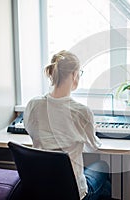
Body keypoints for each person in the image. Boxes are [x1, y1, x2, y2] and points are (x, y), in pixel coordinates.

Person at [23, 50, 111, 200]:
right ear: (74, 75)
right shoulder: (81, 112)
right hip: (74, 193)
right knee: (102, 167)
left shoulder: (33, 104)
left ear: (52, 73)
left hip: (42, 190)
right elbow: (93, 146)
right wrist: (87, 130)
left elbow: (32, 132)